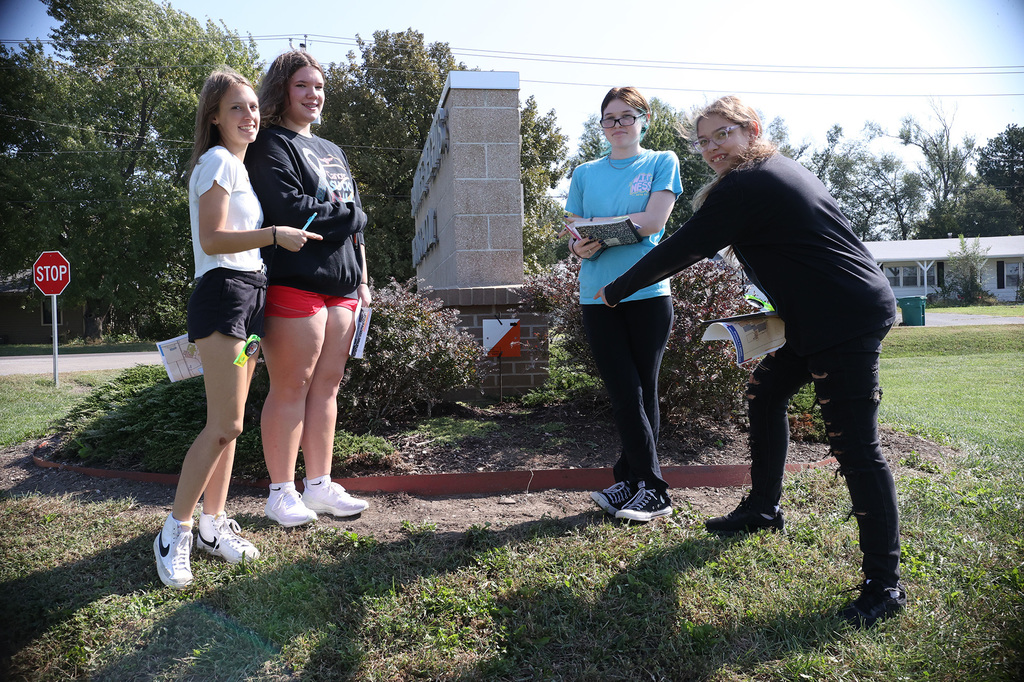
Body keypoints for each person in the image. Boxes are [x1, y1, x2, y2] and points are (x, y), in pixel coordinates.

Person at [596, 95, 905, 628]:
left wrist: (616, 289)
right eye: (704, 140)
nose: (712, 147)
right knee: (766, 393)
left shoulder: (750, 181)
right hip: (815, 317)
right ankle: (763, 509)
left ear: (751, 130)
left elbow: (685, 247)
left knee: (856, 447)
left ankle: (885, 584)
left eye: (723, 135)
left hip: (842, 319)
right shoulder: (768, 172)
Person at [155, 68, 320, 589]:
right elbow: (212, 238)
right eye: (236, 108)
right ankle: (173, 531)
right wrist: (274, 234)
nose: (249, 116)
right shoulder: (216, 162)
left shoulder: (240, 168)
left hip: (250, 295)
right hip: (224, 295)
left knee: (235, 426)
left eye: (253, 107)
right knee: (222, 424)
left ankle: (212, 525)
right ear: (213, 117)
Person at [244, 50, 371, 527]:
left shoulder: (333, 151)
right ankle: (280, 493)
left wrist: (362, 280)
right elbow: (293, 212)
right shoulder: (269, 145)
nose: (313, 94)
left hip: (342, 287)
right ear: (282, 90)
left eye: (318, 86)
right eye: (302, 85)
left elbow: (353, 228)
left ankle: (318, 485)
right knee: (291, 386)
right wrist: (351, 215)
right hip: (294, 284)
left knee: (327, 388)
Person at [562, 86, 682, 522]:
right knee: (624, 390)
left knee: (638, 390)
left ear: (644, 120)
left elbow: (653, 223)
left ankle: (653, 489)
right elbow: (573, 229)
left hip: (647, 293)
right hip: (596, 294)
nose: (617, 126)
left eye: (626, 116)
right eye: (609, 119)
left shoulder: (661, 161)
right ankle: (632, 481)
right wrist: (580, 248)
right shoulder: (585, 173)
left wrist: (599, 227)